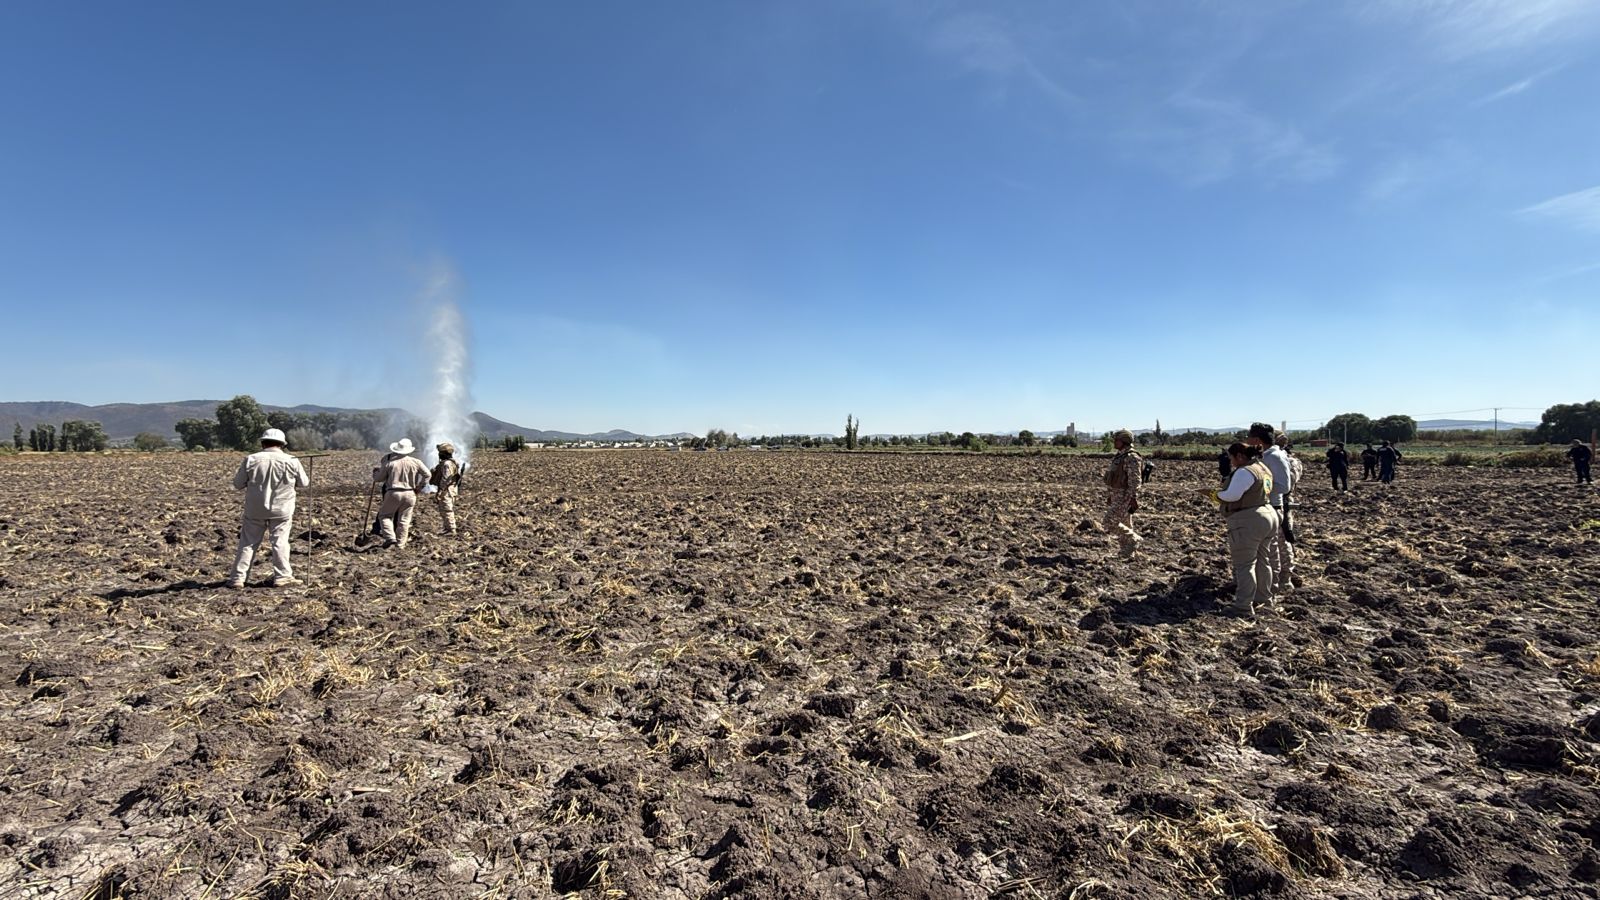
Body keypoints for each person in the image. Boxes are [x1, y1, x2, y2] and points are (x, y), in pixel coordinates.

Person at [228, 428, 309, 588]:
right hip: (282, 509)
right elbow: (304, 483)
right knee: (280, 541)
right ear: (283, 445)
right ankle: (283, 576)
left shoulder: (251, 459)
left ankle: (238, 578)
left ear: (263, 442)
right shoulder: (292, 460)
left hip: (255, 509)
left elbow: (238, 484)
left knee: (248, 543)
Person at [1213, 441, 1278, 617]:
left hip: (1249, 519)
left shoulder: (1244, 472)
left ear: (1240, 456)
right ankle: (1264, 599)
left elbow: (1232, 495)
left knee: (1245, 565)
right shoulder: (1262, 468)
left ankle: (1243, 606)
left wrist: (1214, 494)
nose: (1231, 461)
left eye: (1231, 458)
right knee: (1263, 561)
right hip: (1268, 514)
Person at [1249, 423, 1295, 590]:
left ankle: (1278, 583)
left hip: (1273, 507)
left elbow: (1284, 486)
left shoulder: (1274, 457)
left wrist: (1256, 490)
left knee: (1275, 549)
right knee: (1266, 549)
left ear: (1257, 439)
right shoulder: (1263, 456)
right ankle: (1266, 583)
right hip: (1262, 507)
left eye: (1249, 438)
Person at [372, 438, 431, 548]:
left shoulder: (390, 463)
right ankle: (400, 545)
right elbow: (427, 475)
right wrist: (420, 487)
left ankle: (390, 538)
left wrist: (375, 474)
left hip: (393, 492)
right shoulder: (416, 462)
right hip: (410, 493)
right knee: (404, 520)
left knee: (385, 516)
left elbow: (379, 478)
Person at [1102, 429, 1143, 559]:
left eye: (1117, 440)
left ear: (1124, 441)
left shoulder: (1131, 457)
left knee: (1108, 522)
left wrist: (1133, 498)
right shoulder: (1120, 456)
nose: (1114, 442)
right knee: (1125, 524)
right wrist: (1111, 496)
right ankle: (1128, 554)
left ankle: (1134, 539)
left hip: (1125, 496)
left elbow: (1135, 480)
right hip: (1117, 495)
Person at [429, 442, 464, 535]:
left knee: (447, 509)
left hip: (447, 490)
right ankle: (447, 528)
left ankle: (451, 529)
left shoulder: (447, 464)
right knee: (443, 509)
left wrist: (440, 491)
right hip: (450, 489)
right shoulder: (451, 462)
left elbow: (446, 479)